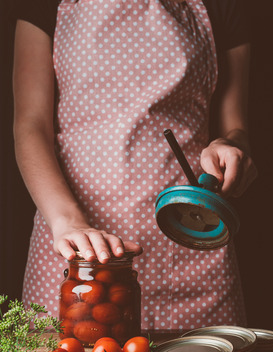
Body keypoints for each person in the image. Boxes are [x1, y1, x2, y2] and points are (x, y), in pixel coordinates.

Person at [12, 0, 257, 330]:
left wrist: (232, 145)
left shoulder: (220, 6)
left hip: (195, 244)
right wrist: (67, 221)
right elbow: (30, 124)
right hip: (77, 252)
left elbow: (235, 128)